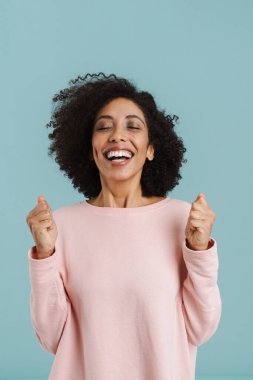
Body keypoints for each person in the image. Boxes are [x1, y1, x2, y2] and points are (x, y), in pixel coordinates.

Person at [26, 73, 222, 380]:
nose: (117, 136)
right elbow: (51, 338)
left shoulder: (181, 221)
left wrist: (198, 252)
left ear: (150, 149)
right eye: (104, 127)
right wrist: (45, 254)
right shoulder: (61, 226)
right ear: (91, 149)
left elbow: (201, 328)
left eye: (133, 126)